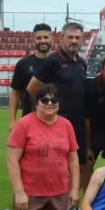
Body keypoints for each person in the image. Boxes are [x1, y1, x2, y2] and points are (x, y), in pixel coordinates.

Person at [0, 84, 80, 210]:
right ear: (36, 103)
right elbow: (12, 160)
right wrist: (19, 192)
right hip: (31, 190)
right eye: (44, 100)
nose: (50, 103)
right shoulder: (24, 124)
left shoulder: (66, 125)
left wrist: (74, 189)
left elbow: (73, 159)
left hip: (58, 189)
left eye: (54, 100)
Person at [26, 22, 89, 191]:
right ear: (62, 38)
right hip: (58, 123)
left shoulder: (82, 63)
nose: (74, 41)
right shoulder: (53, 60)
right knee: (59, 165)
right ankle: (59, 201)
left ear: (82, 40)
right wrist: (47, 111)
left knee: (78, 163)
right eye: (70, 37)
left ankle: (75, 202)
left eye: (77, 37)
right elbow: (32, 88)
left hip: (78, 122)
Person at [8, 22, 52, 131]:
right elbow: (16, 92)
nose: (42, 40)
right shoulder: (23, 64)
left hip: (55, 118)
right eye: (39, 38)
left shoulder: (59, 62)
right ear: (33, 40)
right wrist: (12, 120)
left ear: (52, 38)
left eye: (46, 37)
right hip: (30, 117)